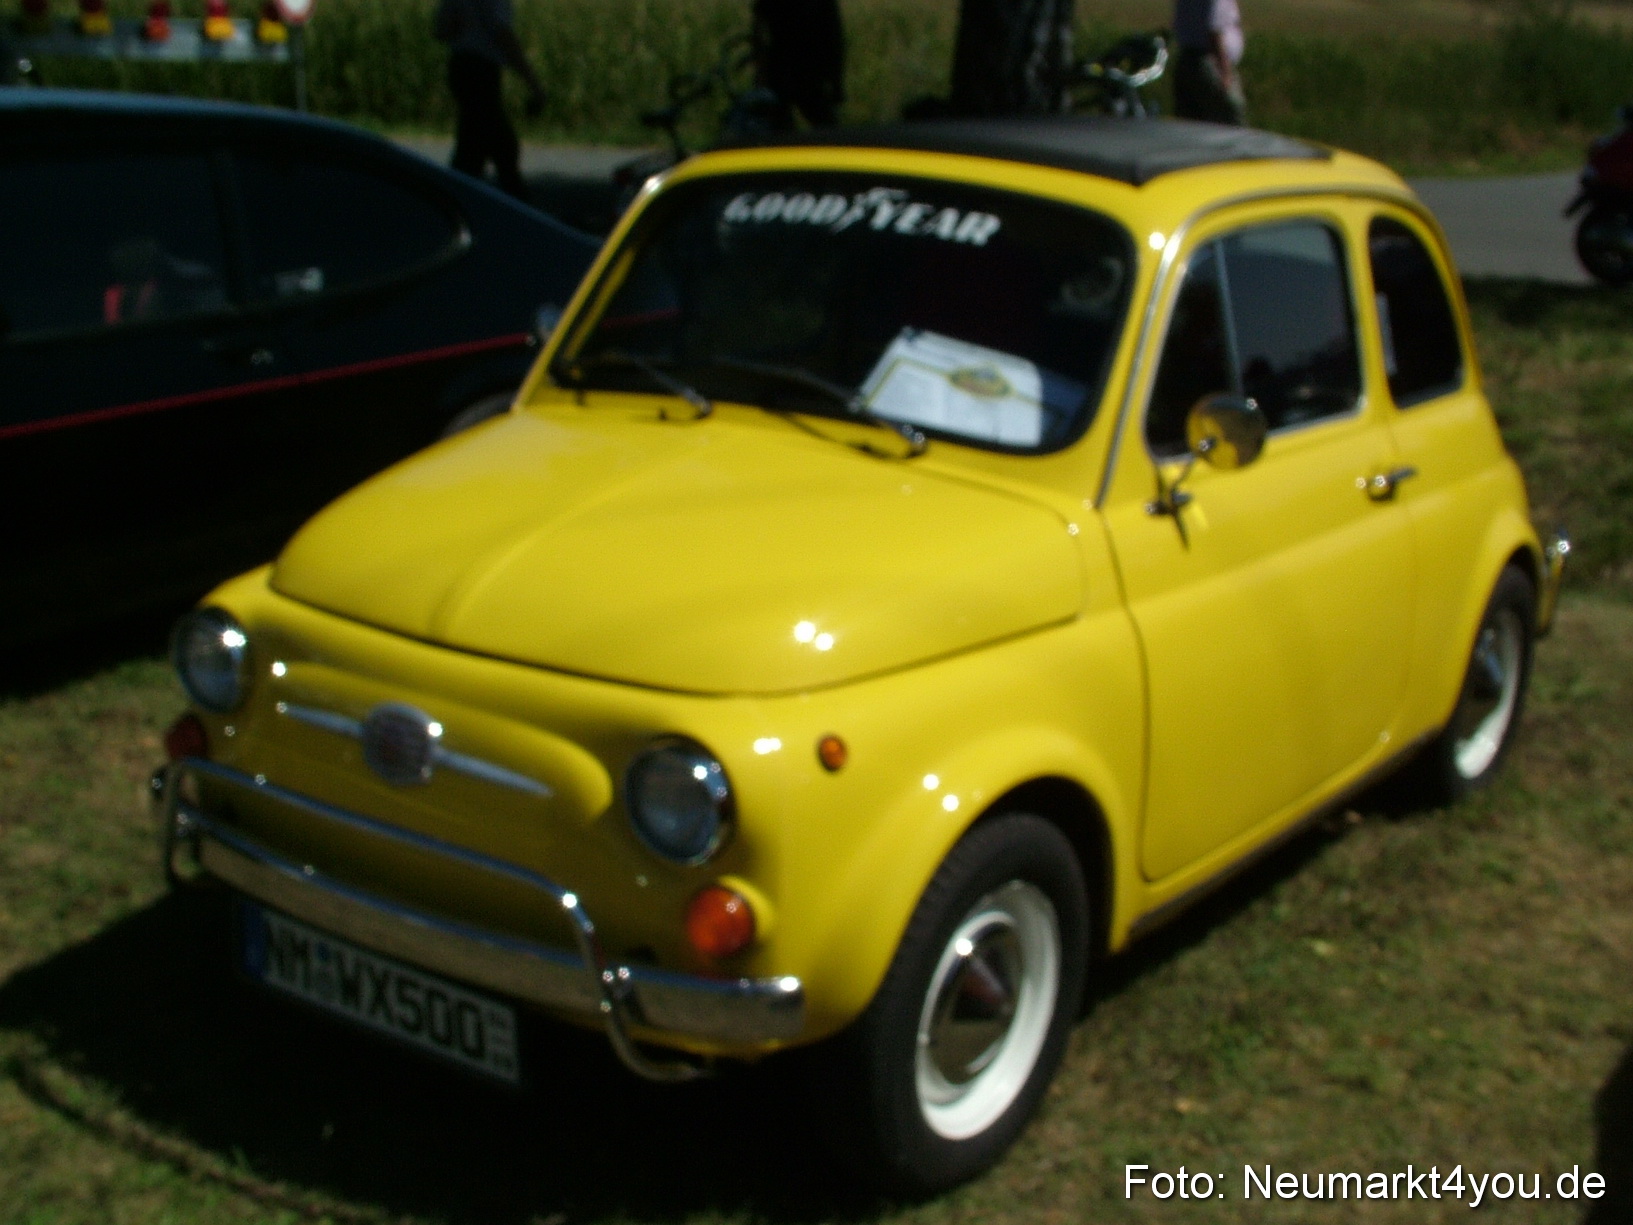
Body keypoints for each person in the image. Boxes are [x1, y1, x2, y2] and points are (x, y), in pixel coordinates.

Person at [433, 0, 546, 201]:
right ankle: (517, 203)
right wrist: (532, 83)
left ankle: (460, 195)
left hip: (461, 65)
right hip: (482, 70)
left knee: (476, 142)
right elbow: (502, 33)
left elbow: (441, 30)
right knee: (498, 144)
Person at [751, 0, 845, 128]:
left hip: (785, 67)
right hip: (807, 68)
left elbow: (759, 30)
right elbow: (834, 36)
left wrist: (761, 71)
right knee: (825, 126)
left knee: (780, 128)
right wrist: (836, 80)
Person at [1172, 0, 1246, 125]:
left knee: (1192, 123)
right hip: (1210, 62)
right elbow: (1214, 29)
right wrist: (1225, 72)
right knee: (1230, 118)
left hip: (1187, 59)